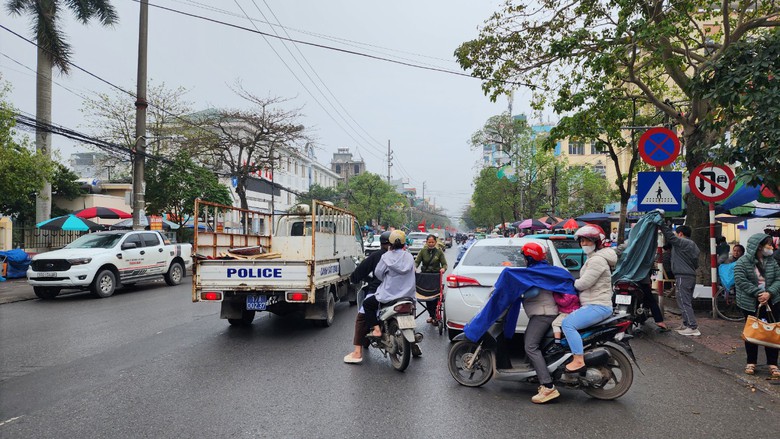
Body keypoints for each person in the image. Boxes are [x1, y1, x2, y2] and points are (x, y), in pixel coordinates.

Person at [561, 224, 617, 373]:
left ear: (597, 242)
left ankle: (578, 360)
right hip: (594, 304)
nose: (583, 244)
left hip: (598, 305)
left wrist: (571, 283)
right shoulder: (593, 258)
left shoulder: (597, 260)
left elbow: (584, 283)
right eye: (582, 241)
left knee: (568, 324)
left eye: (587, 240)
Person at [518, 242, 569, 404]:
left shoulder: (536, 272)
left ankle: (548, 386)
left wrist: (518, 294)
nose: (524, 260)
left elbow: (534, 290)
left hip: (543, 314)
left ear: (530, 257)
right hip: (546, 312)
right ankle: (534, 374)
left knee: (530, 346)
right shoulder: (544, 269)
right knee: (529, 340)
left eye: (525, 257)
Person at [734, 233, 780, 378]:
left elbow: (778, 279)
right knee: (752, 331)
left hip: (772, 300)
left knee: (772, 331)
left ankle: (773, 363)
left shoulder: (772, 261)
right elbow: (740, 280)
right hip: (750, 302)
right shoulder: (743, 262)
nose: (771, 247)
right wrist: (759, 294)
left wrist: (769, 293)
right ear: (759, 246)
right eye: (768, 244)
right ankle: (751, 362)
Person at [343, 231, 392, 364]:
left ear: (382, 243)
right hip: (403, 294)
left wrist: (358, 278)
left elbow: (362, 272)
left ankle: (357, 352)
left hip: (380, 292)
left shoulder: (379, 257)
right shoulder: (406, 256)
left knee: (361, 317)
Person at [363, 230, 416, 338]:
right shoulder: (409, 256)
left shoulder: (386, 257)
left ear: (390, 243)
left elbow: (378, 273)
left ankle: (377, 330)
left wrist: (386, 278)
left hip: (389, 294)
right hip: (408, 295)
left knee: (367, 304)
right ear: (404, 243)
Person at [659, 224, 701, 336]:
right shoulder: (693, 246)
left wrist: (661, 224)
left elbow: (670, 236)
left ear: (680, 234)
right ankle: (686, 324)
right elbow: (696, 264)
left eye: (676, 234)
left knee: (683, 301)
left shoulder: (683, 242)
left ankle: (692, 326)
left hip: (683, 276)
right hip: (689, 275)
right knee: (684, 301)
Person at [415, 234, 448, 324]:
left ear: (435, 242)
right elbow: (417, 262)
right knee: (427, 296)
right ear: (426, 242)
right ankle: (432, 315)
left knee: (435, 297)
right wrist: (414, 267)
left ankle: (434, 315)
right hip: (425, 276)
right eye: (429, 242)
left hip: (435, 276)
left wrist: (443, 269)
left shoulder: (439, 252)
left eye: (432, 242)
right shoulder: (422, 251)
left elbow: (444, 264)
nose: (431, 244)